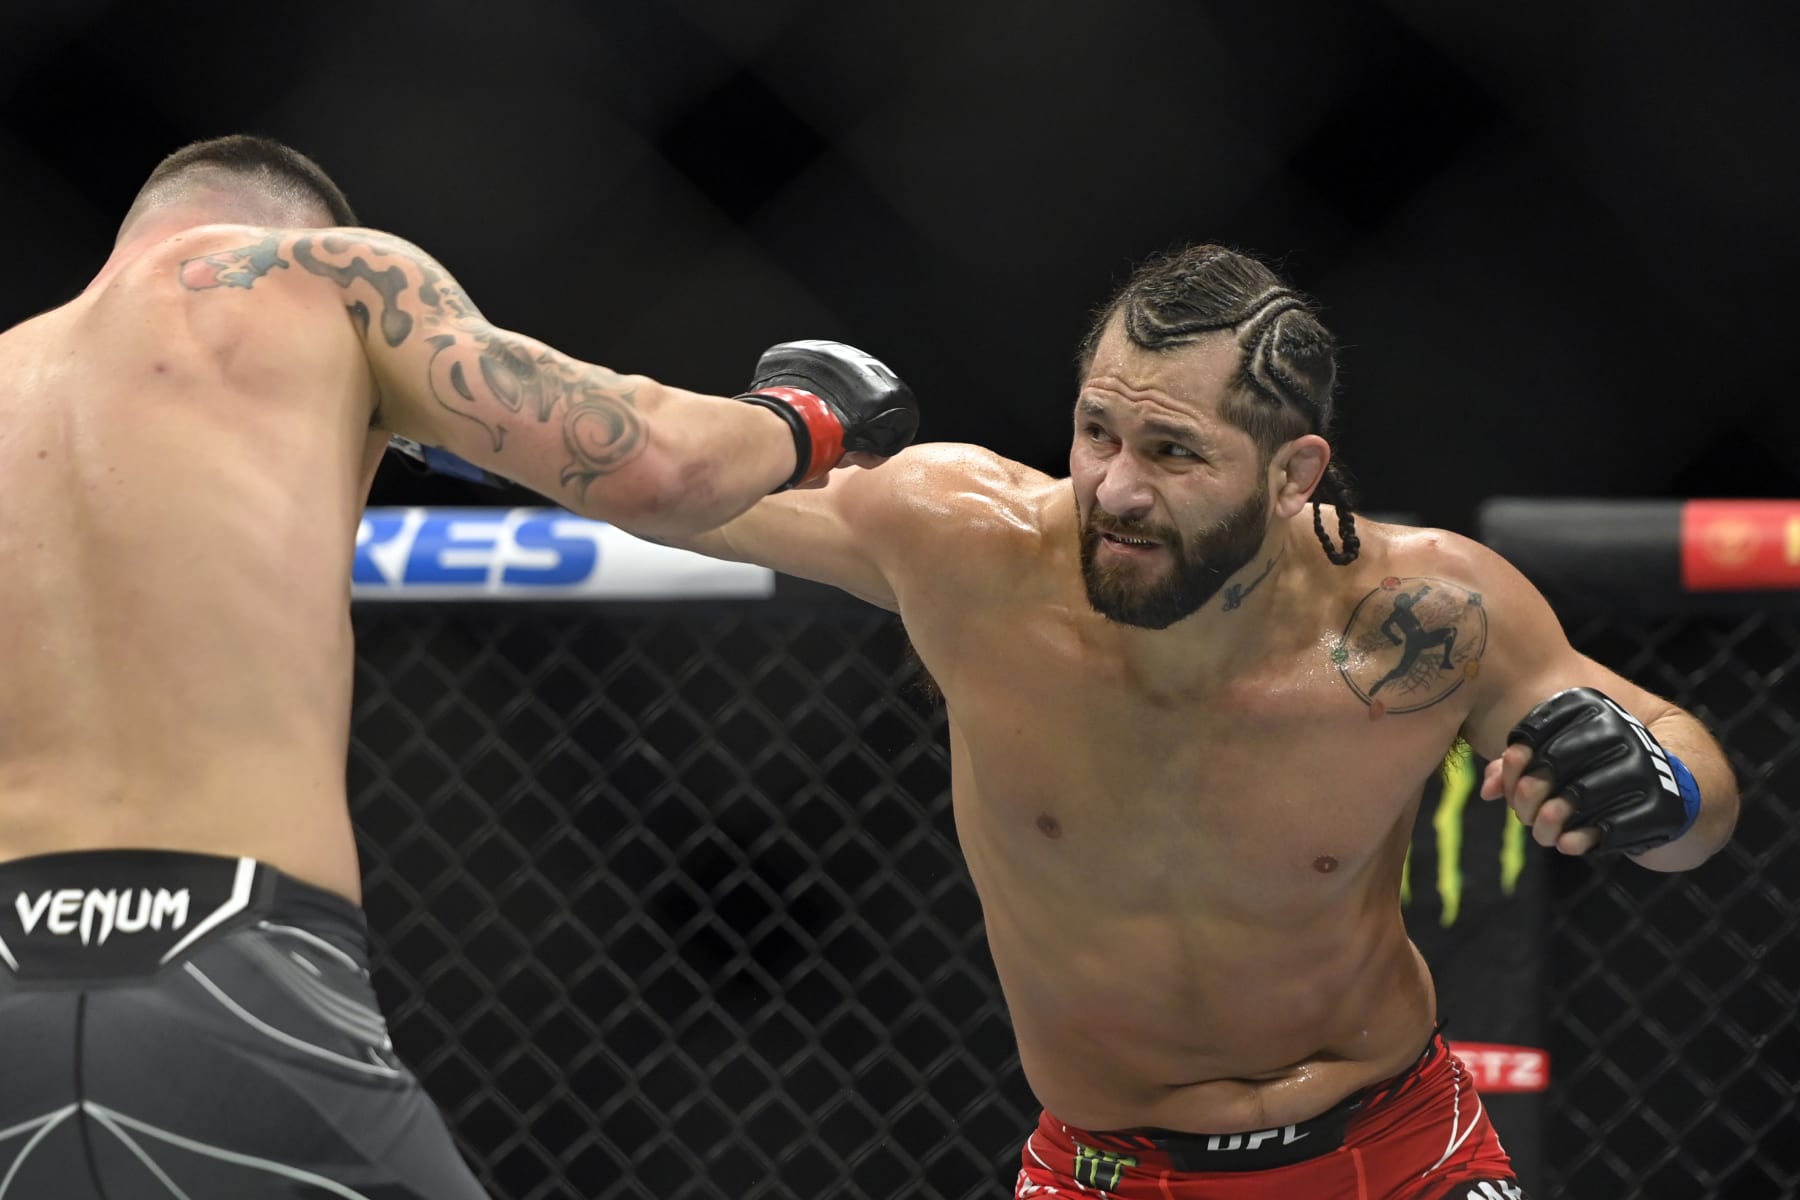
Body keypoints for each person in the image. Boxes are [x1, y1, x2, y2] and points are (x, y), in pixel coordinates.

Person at [658, 244, 1738, 1198]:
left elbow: (1697, 804)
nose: (1118, 488)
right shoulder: (968, 544)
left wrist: (1661, 785)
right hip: (1108, 1172)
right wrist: (784, 427)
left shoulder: (1427, 612)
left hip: (1401, 1151)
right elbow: (650, 476)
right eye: (1096, 432)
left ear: (1291, 475)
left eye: (1173, 452)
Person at [0, 134, 916, 1200]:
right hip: (237, 969)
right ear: (300, 223)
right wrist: (807, 412)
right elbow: (659, 466)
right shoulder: (330, 279)